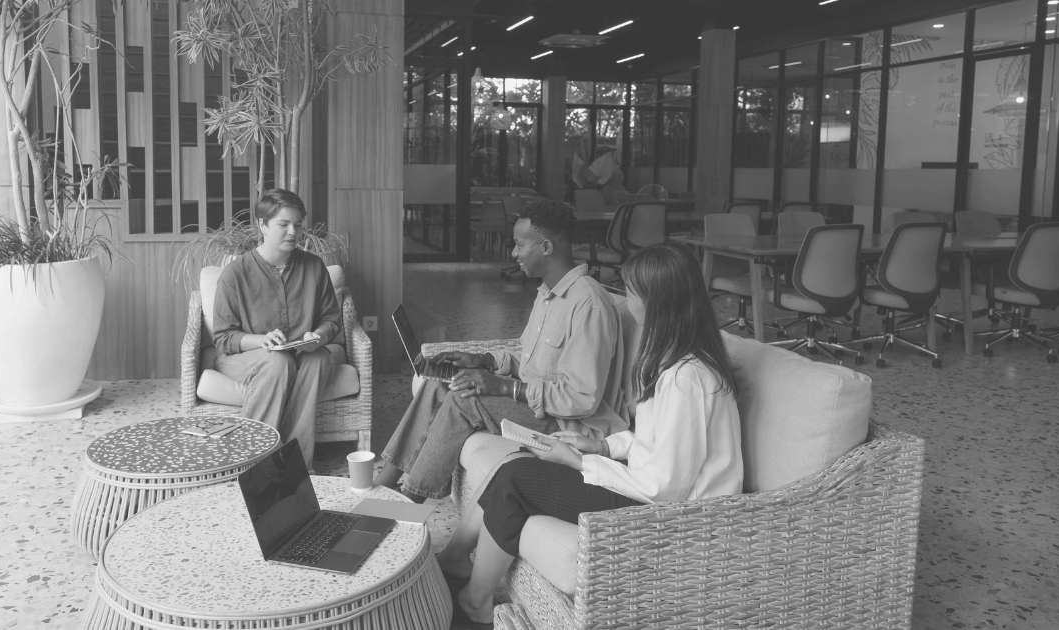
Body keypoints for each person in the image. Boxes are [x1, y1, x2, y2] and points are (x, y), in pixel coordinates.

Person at [436, 243, 744, 628]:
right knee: (518, 465)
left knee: (517, 476)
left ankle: (472, 599)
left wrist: (580, 462)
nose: (627, 299)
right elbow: (654, 440)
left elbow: (666, 487)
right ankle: (473, 596)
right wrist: (599, 446)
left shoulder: (687, 379)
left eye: (631, 291)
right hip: (650, 492)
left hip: (672, 517)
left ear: (655, 302)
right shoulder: (675, 362)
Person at [374, 198, 628, 503]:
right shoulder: (548, 293)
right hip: (539, 406)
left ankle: (410, 499)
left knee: (462, 401)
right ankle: (382, 485)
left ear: (546, 248)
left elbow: (581, 399)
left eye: (520, 245)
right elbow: (532, 360)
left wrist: (507, 387)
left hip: (564, 422)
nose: (513, 254)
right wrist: (483, 360)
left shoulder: (589, 305)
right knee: (436, 385)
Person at [211, 189, 342, 468]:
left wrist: (317, 337)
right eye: (283, 224)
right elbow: (223, 337)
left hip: (301, 353)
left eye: (298, 224)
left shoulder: (314, 267)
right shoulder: (235, 274)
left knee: (317, 360)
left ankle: (296, 465)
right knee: (276, 361)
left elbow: (332, 320)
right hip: (244, 356)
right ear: (263, 225)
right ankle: (255, 462)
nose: (293, 232)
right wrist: (261, 340)